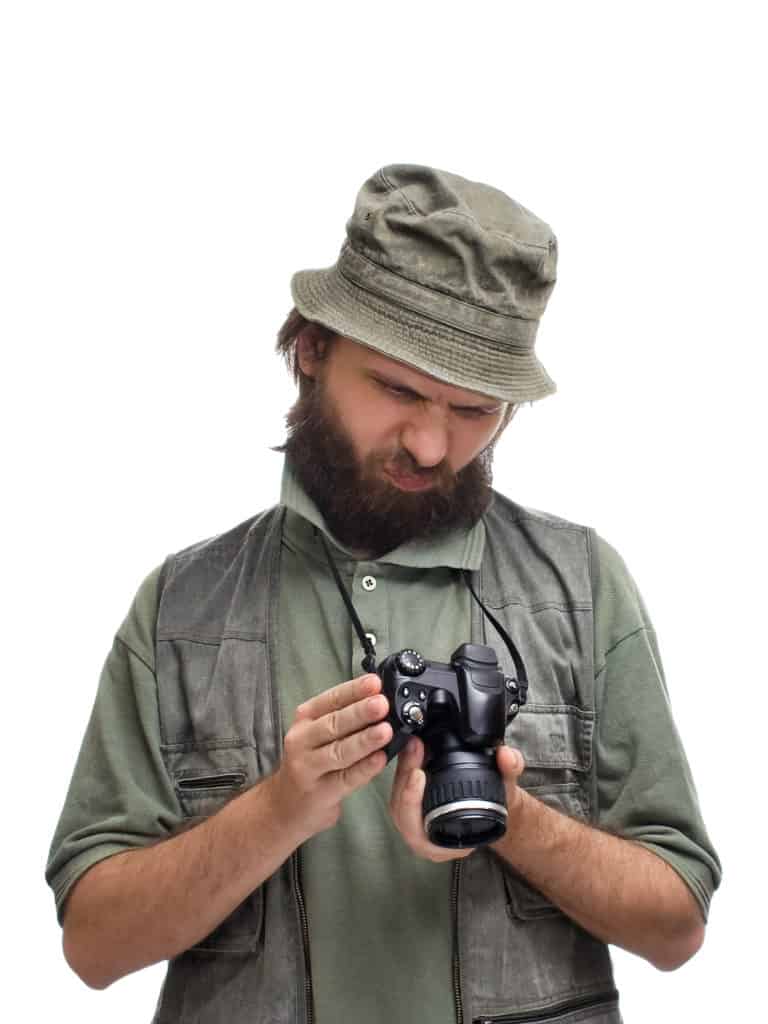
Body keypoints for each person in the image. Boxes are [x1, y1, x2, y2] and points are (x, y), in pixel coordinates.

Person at [46, 164, 721, 1024]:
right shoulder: (182, 609)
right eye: (398, 389)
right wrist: (281, 808)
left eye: (475, 409)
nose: (433, 444)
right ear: (312, 348)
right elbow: (93, 948)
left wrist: (502, 813)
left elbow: (677, 927)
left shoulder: (583, 587)